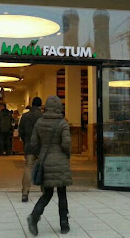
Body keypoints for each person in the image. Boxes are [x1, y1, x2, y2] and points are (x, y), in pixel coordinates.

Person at [27, 95, 72, 236]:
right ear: (59, 108)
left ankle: (34, 217)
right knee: (62, 194)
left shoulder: (39, 123)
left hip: (45, 162)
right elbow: (66, 144)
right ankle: (64, 224)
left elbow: (33, 143)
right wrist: (66, 155)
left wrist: (40, 154)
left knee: (47, 194)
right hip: (60, 162)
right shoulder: (63, 123)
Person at [18, 97, 43, 202]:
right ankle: (45, 190)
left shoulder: (25, 116)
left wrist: (26, 141)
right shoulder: (43, 116)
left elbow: (21, 131)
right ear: (40, 105)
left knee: (28, 168)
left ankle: (25, 192)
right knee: (43, 167)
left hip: (29, 145)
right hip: (41, 146)